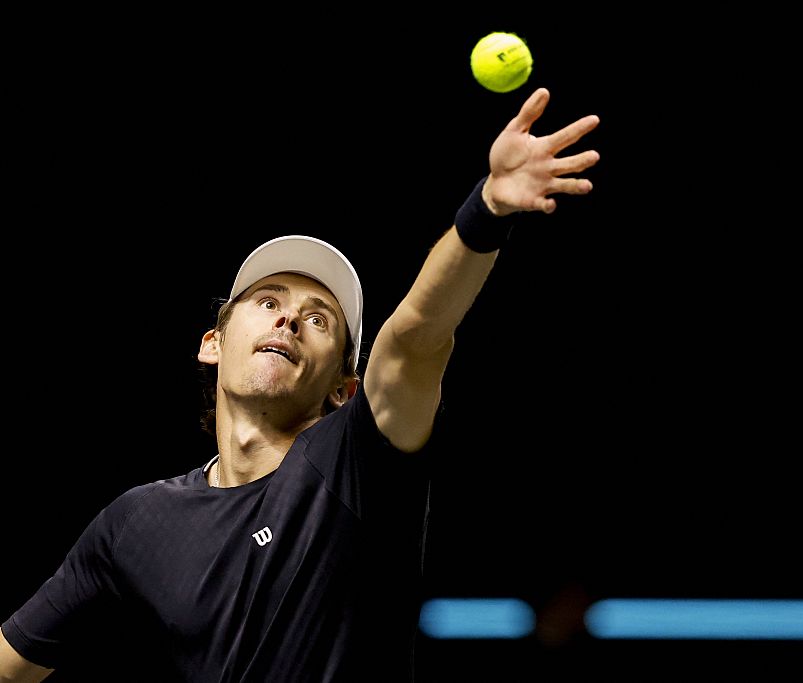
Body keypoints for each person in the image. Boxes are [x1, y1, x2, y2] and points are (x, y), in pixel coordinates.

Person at [0, 87, 599, 682]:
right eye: (267, 301)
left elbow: (415, 336)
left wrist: (488, 209)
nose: (288, 319)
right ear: (213, 343)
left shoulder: (357, 463)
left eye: (318, 319)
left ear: (344, 387)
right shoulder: (136, 522)